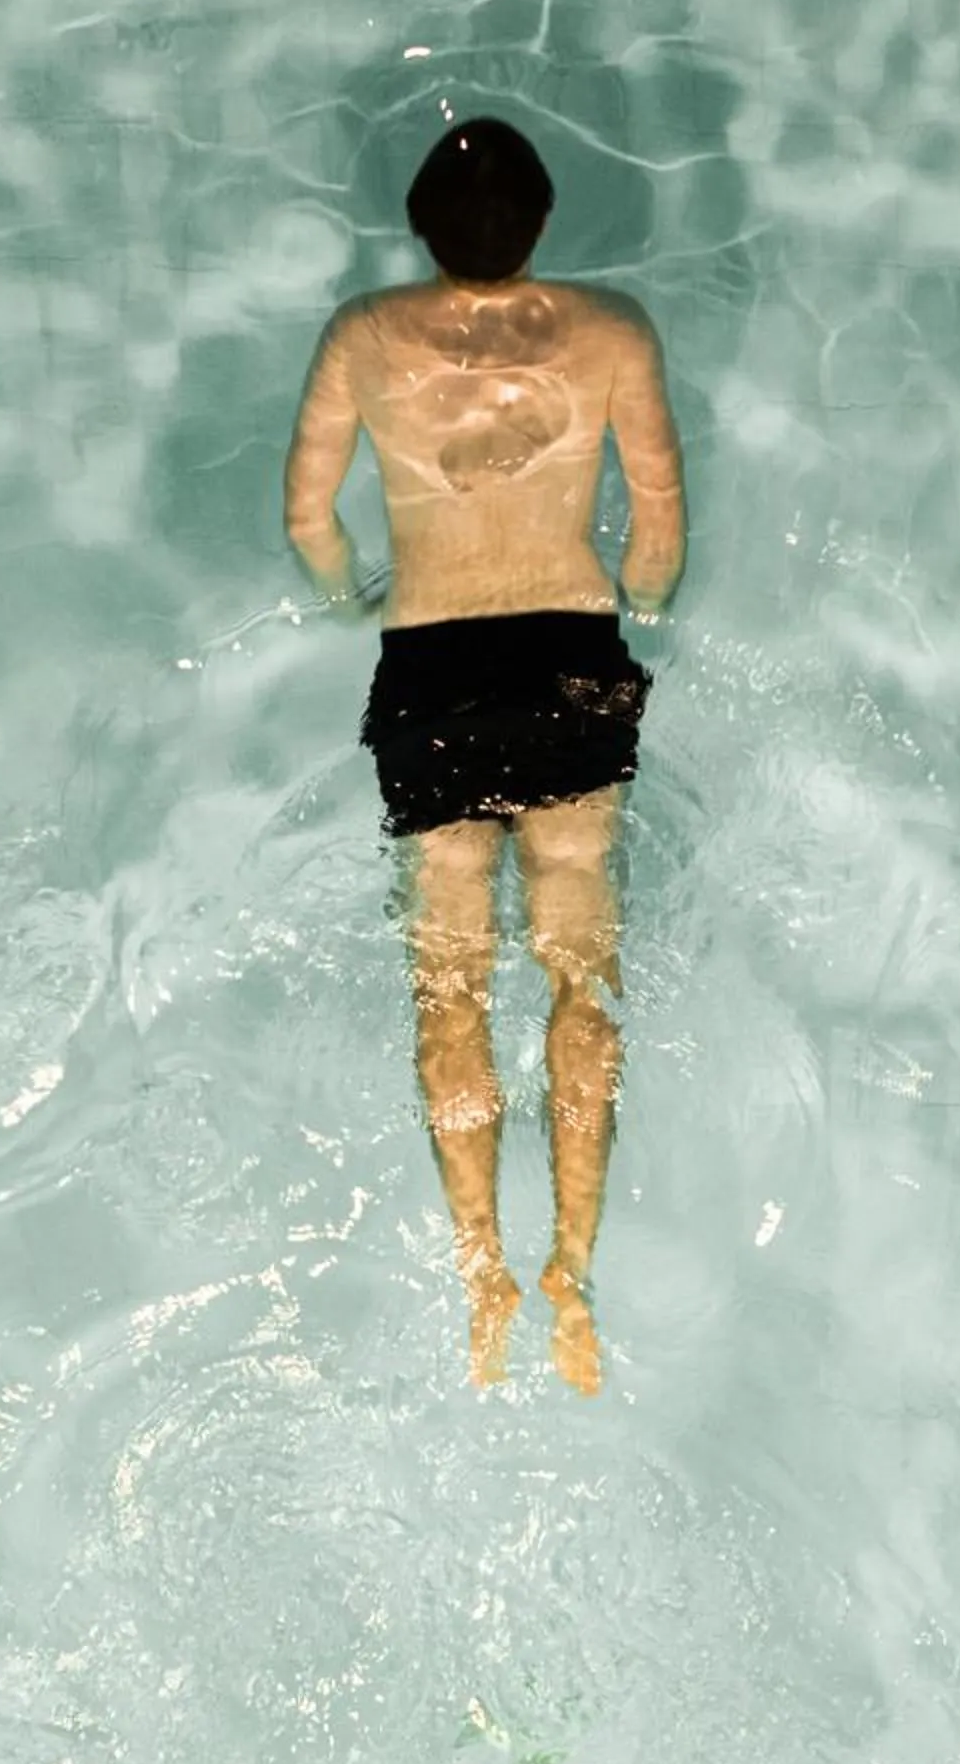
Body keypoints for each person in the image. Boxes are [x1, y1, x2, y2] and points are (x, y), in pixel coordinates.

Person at [283, 117, 685, 1394]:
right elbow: (661, 531)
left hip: (433, 665)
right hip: (568, 656)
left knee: (450, 987)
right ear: (546, 221)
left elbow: (308, 519)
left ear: (418, 227)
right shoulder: (612, 327)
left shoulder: (364, 333)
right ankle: (574, 1260)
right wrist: (647, 606)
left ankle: (484, 1273)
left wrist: (353, 599)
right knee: (582, 973)